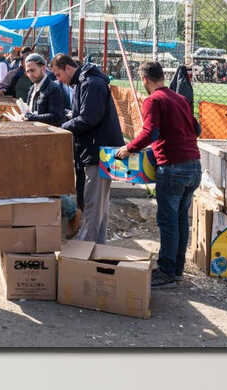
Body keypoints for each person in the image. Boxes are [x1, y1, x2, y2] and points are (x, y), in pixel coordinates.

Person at [118, 60, 202, 286]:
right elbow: (196, 128)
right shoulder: (181, 98)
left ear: (144, 79)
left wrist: (128, 148)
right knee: (181, 218)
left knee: (168, 220)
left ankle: (165, 270)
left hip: (172, 166)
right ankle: (176, 268)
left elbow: (149, 132)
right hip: (193, 165)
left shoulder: (153, 100)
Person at [56, 52, 123, 243]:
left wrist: (63, 127)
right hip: (97, 150)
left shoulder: (91, 83)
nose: (59, 80)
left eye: (59, 75)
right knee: (98, 203)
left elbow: (89, 118)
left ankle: (88, 248)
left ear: (68, 68)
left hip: (98, 151)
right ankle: (96, 247)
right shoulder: (84, 82)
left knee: (94, 203)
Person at [20, 53, 68, 126]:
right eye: (27, 71)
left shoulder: (54, 88)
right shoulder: (32, 88)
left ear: (43, 69)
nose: (30, 74)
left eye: (32, 70)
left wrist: (32, 117)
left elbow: (56, 116)